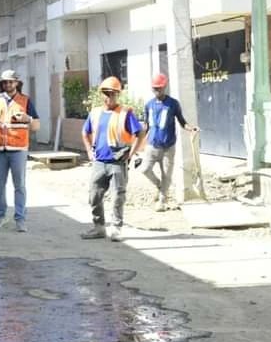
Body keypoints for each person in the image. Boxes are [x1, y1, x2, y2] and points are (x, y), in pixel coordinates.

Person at [80, 76, 146, 243]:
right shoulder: (95, 113)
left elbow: (140, 133)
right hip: (99, 162)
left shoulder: (125, 114)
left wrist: (131, 153)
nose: (109, 97)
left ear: (118, 95)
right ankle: (99, 227)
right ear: (101, 94)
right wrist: (89, 151)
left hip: (117, 162)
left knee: (118, 197)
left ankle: (116, 228)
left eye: (113, 93)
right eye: (106, 93)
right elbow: (85, 132)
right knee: (94, 195)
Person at [0, 70, 39, 233]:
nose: (8, 84)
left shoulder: (25, 100)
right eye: (5, 82)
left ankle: (20, 218)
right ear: (1, 84)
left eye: (11, 82)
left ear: (16, 83)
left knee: (19, 185)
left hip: (18, 149)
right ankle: (0, 215)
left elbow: (36, 126)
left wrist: (28, 119)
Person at [141, 73, 198, 211]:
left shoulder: (173, 104)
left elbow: (182, 121)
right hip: (152, 145)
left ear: (164, 87)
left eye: (159, 88)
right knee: (145, 170)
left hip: (168, 147)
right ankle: (159, 185)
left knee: (166, 175)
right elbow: (146, 126)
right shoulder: (148, 105)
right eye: (155, 88)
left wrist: (190, 128)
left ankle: (162, 201)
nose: (157, 90)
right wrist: (138, 139)